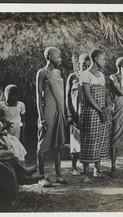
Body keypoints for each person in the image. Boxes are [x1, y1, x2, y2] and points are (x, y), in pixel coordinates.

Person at [36, 46, 67, 187]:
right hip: (47, 111)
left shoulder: (58, 73)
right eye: (58, 56)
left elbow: (61, 94)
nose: (60, 59)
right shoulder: (41, 73)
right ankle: (41, 176)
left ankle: (58, 175)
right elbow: (38, 96)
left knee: (58, 142)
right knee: (43, 143)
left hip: (58, 111)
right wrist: (41, 117)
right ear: (50, 57)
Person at [79, 48, 110, 182]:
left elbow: (104, 93)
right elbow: (88, 96)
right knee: (89, 139)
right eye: (104, 59)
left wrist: (106, 107)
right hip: (91, 112)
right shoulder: (85, 75)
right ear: (96, 59)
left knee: (100, 138)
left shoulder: (101, 75)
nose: (105, 62)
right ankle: (86, 173)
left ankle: (97, 171)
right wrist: (99, 110)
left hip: (102, 110)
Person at [66, 53, 90, 176]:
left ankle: (86, 167)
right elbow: (67, 98)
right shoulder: (73, 77)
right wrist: (70, 115)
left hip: (87, 114)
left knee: (86, 141)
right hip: (75, 114)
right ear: (79, 65)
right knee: (75, 142)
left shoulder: (90, 77)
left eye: (87, 65)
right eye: (83, 65)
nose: (85, 68)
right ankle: (74, 167)